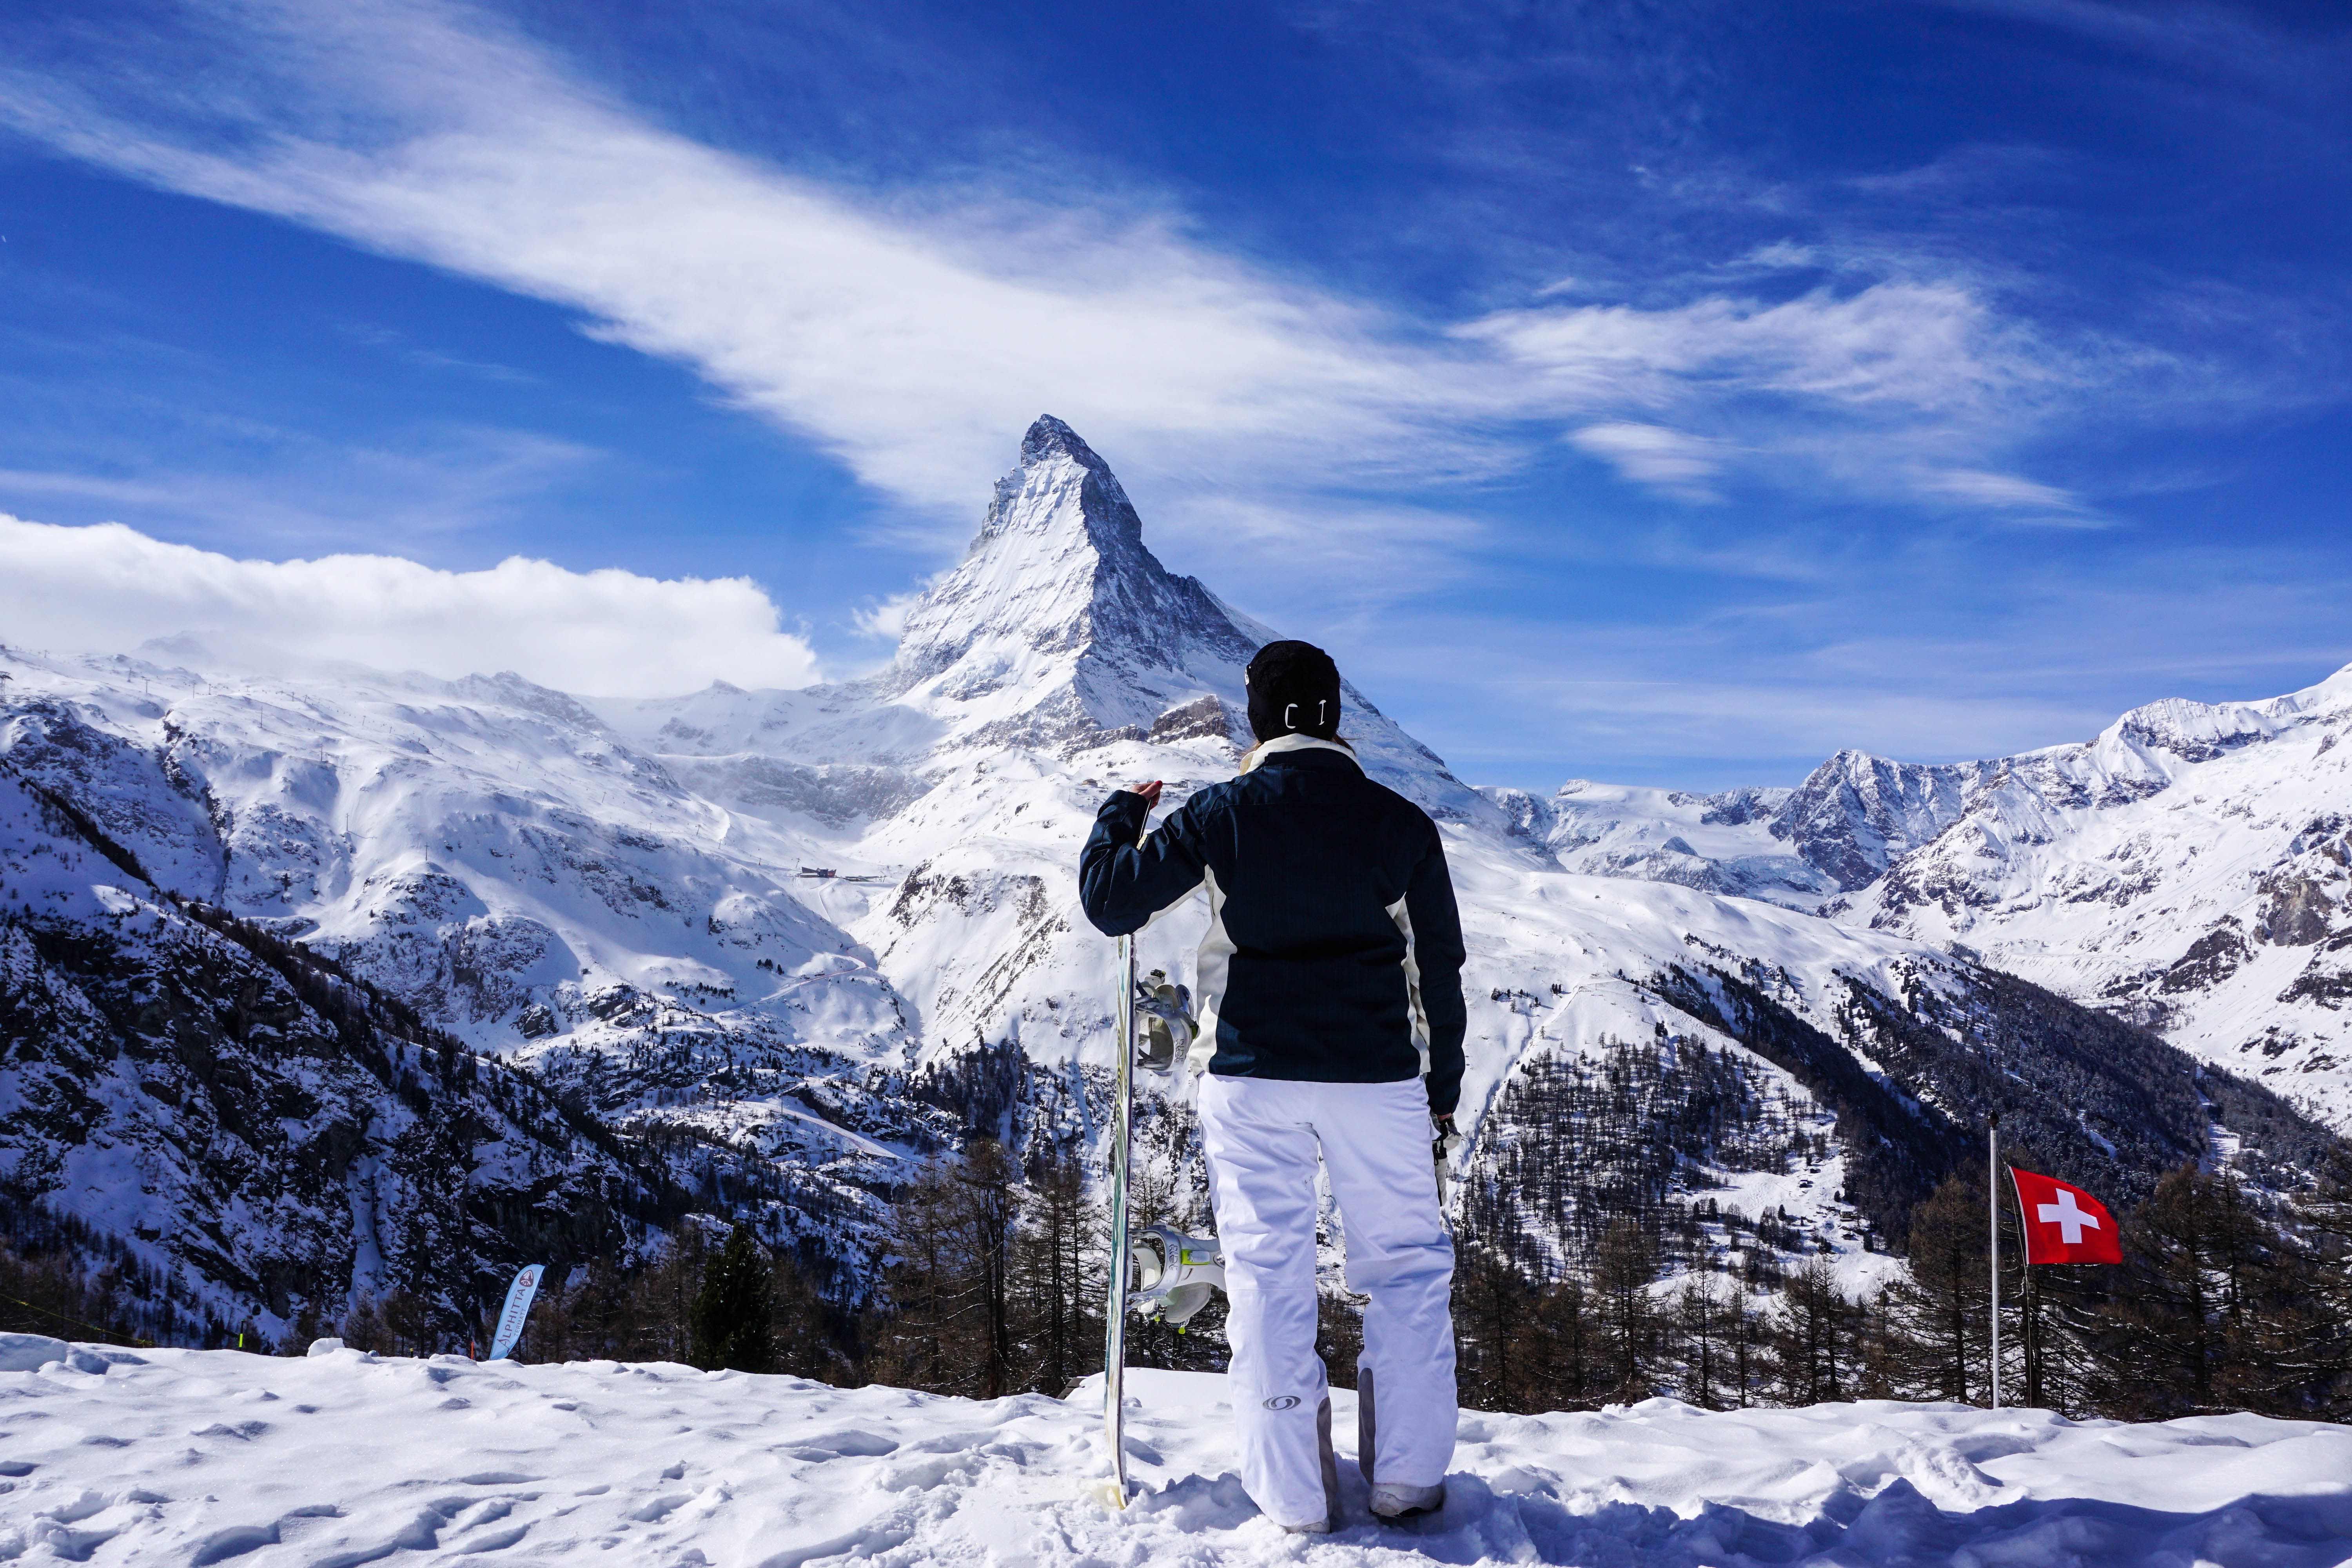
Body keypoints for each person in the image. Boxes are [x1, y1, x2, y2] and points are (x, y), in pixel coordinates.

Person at [1079, 639, 1466, 1534]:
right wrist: (1440, 1086)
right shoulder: (1401, 824)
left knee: (1266, 1275)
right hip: (1377, 1075)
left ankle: (1291, 1492)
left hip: (1251, 1074)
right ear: (1337, 714)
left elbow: (1112, 903)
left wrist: (1118, 817)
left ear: (1257, 718)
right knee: (1407, 1269)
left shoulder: (1223, 813)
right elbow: (1438, 968)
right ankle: (1407, 1478)